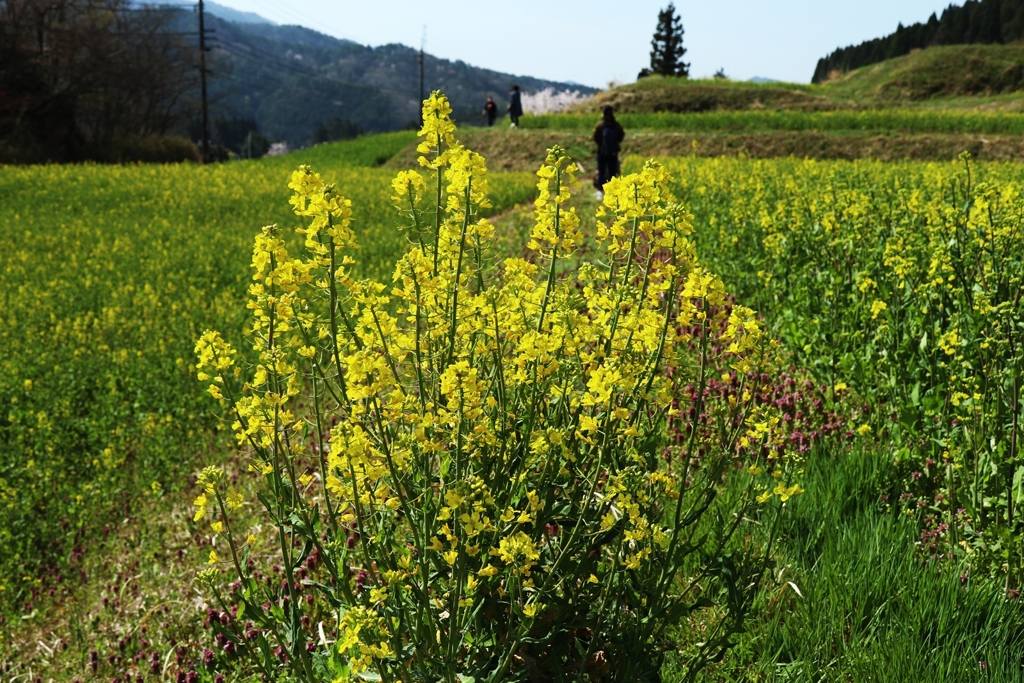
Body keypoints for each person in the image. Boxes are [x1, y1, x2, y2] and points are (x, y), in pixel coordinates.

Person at [593, 105, 625, 198]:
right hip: (613, 153)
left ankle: (600, 191)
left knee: (601, 172)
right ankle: (613, 192)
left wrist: (600, 145)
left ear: (603, 113)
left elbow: (595, 137)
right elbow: (621, 135)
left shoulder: (600, 125)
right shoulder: (616, 125)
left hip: (602, 152)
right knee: (613, 173)